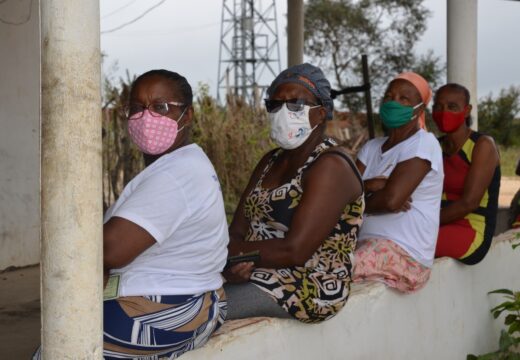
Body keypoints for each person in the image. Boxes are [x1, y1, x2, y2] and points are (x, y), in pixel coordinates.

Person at [34, 70, 228, 360]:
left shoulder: (178, 174)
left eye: (160, 107)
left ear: (187, 116)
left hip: (171, 307)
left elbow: (111, 250)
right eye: (137, 108)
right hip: (175, 299)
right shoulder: (179, 164)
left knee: (62, 350)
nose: (146, 117)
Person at [224, 63, 364, 323]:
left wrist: (230, 256)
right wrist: (232, 265)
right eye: (275, 104)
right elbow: (237, 230)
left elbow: (295, 251)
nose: (283, 111)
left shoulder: (331, 165)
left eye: (296, 104)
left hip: (308, 283)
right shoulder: (269, 161)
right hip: (254, 270)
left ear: (321, 113)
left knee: (208, 312)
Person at [353, 72, 443, 293]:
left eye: (404, 99)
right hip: (364, 244)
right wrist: (371, 186)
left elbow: (392, 201)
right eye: (389, 96)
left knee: (332, 272)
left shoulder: (424, 144)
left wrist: (358, 199)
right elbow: (340, 194)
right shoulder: (371, 148)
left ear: (420, 109)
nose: (394, 102)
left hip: (406, 254)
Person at [432, 83, 501, 264]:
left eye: (452, 107)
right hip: (437, 222)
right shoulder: (433, 146)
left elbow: (468, 203)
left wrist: (423, 223)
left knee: (409, 242)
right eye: (438, 107)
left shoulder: (483, 145)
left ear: (467, 110)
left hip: (471, 228)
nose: (444, 112)